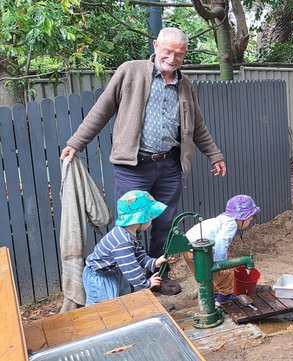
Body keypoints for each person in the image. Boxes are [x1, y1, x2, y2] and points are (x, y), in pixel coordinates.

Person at [60, 27, 227, 295]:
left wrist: (215, 154)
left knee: (165, 224)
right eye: (168, 51)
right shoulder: (131, 71)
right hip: (133, 167)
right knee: (129, 226)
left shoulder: (185, 85)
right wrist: (75, 143)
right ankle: (127, 283)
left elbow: (197, 127)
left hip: (169, 165)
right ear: (156, 45)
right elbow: (102, 109)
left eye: (180, 54)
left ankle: (159, 276)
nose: (173, 58)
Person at [83, 190, 177, 305]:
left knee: (123, 302)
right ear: (141, 219)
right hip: (100, 278)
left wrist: (154, 262)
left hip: (114, 272)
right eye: (150, 217)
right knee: (102, 310)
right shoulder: (122, 242)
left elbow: (140, 255)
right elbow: (131, 270)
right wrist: (146, 284)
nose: (152, 220)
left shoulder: (132, 233)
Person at [182, 195, 261, 305]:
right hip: (199, 250)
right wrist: (221, 264)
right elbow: (221, 243)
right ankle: (224, 299)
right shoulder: (231, 224)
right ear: (244, 217)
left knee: (205, 276)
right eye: (250, 219)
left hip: (188, 248)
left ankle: (212, 296)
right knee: (226, 274)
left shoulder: (222, 219)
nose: (249, 222)